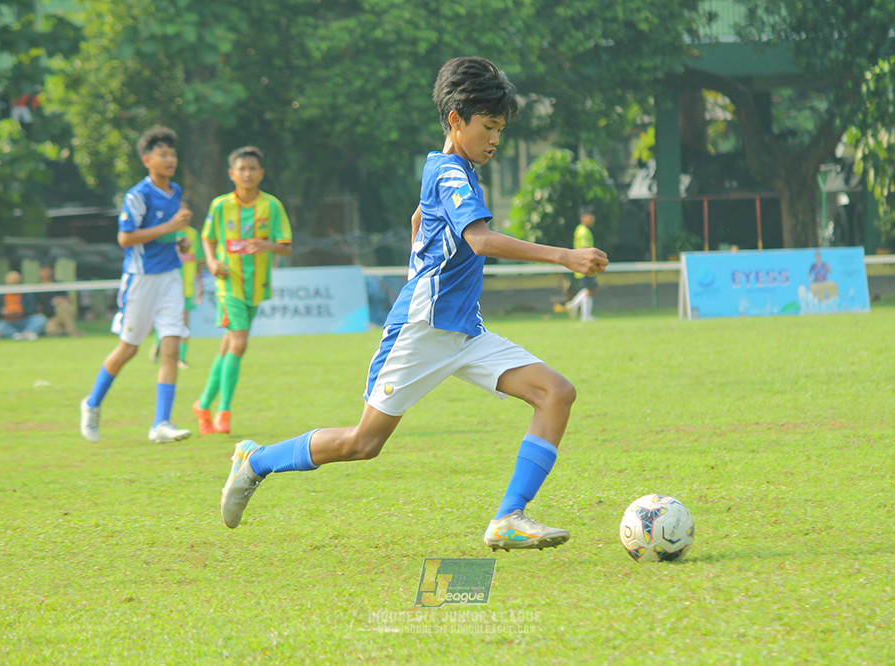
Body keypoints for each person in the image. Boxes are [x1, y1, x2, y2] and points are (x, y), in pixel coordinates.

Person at [218, 57, 608, 552]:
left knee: (556, 393)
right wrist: (564, 255)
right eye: (488, 127)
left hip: (463, 331)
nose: (495, 140)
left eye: (500, 130)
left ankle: (510, 517)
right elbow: (481, 241)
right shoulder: (449, 172)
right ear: (455, 120)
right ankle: (255, 461)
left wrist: (421, 265)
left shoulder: (455, 170)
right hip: (422, 330)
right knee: (363, 443)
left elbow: (417, 219)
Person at [79, 126, 194, 444]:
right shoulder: (138, 195)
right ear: (147, 159)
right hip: (141, 281)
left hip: (170, 277)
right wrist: (169, 227)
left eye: (172, 154)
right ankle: (91, 403)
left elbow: (168, 233)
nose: (170, 159)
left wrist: (179, 240)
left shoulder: (175, 191)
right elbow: (125, 238)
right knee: (128, 349)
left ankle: (161, 424)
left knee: (171, 345)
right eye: (163, 155)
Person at [193, 146, 292, 435]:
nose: (247, 174)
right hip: (229, 284)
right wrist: (211, 262)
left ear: (261, 173)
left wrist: (267, 245)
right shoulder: (221, 206)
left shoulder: (271, 206)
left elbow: (286, 248)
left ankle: (202, 404)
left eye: (252, 169)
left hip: (257, 287)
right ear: (232, 174)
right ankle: (224, 411)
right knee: (239, 343)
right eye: (242, 169)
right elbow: (207, 238)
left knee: (228, 346)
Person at [149, 223, 203, 368]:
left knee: (185, 323)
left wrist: (200, 285)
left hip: (187, 287)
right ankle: (158, 343)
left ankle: (181, 359)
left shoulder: (193, 233)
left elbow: (197, 260)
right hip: (168, 286)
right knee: (165, 321)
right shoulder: (167, 231)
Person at [0, 270, 48, 340]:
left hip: (24, 319)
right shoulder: (0, 293)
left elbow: (32, 307)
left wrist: (22, 312)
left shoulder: (26, 292)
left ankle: (27, 333)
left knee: (40, 319)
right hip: (7, 321)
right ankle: (15, 335)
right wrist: (2, 312)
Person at [565, 207, 598, 322]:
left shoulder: (581, 229)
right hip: (584, 265)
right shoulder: (583, 231)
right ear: (584, 218)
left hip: (583, 265)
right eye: (590, 216)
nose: (593, 219)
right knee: (591, 288)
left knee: (590, 288)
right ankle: (585, 315)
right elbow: (585, 249)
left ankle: (574, 305)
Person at [37, 261, 83, 337]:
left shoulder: (58, 284)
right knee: (50, 330)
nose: (46, 273)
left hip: (62, 313)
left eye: (48, 270)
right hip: (50, 318)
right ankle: (68, 331)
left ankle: (72, 331)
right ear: (40, 272)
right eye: (44, 271)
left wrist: (60, 299)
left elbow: (69, 299)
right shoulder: (37, 287)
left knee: (63, 304)